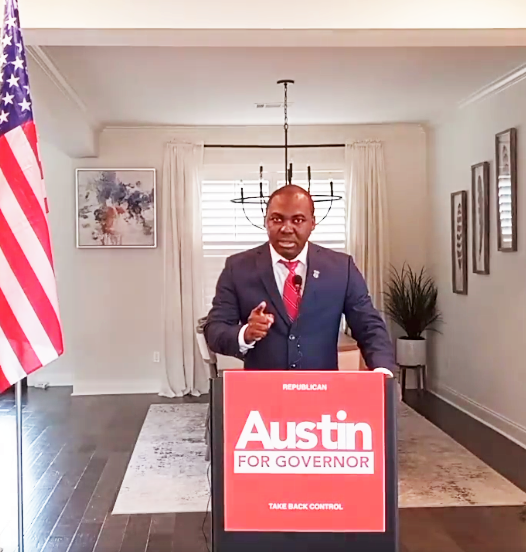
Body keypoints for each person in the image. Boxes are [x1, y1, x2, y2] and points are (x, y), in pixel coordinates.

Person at [204, 185, 396, 375]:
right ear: (266, 222)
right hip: (263, 389)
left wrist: (382, 370)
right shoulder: (238, 268)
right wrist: (246, 334)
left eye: (298, 220)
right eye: (277, 219)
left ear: (312, 223)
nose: (286, 228)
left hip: (322, 388)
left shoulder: (341, 268)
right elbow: (215, 330)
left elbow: (369, 326)